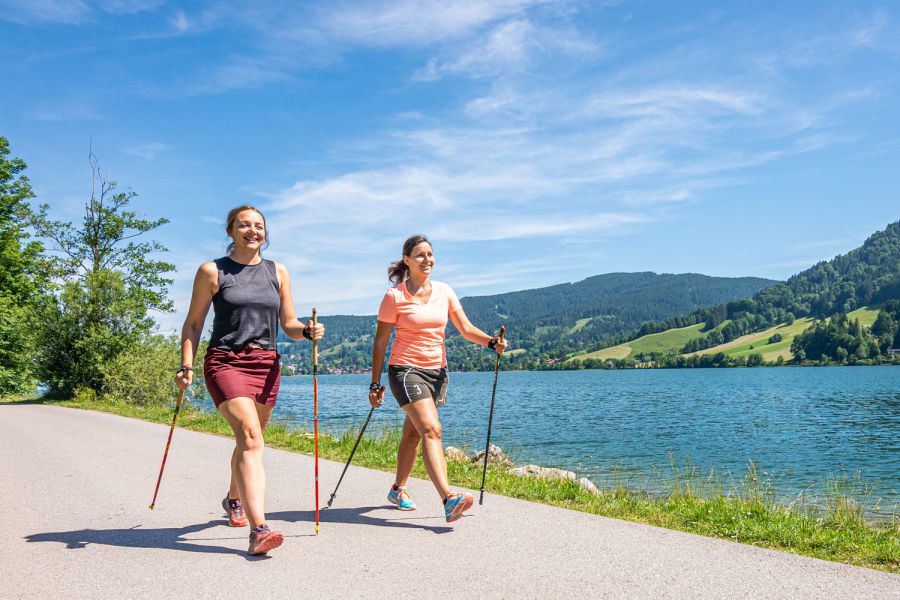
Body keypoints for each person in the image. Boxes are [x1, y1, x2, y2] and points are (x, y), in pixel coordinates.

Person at [174, 205, 324, 555]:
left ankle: (233, 499)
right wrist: (186, 365)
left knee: (248, 441)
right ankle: (260, 529)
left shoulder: (278, 271)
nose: (253, 231)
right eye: (244, 225)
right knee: (251, 437)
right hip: (226, 361)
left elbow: (288, 323)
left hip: (266, 364)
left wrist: (305, 331)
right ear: (231, 231)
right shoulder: (212, 271)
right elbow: (193, 323)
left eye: (259, 226)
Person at [369, 234, 507, 523]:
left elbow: (466, 329)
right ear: (407, 260)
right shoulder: (394, 296)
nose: (427, 260)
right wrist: (374, 383)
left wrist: (491, 342)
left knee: (413, 434)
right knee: (432, 429)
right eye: (420, 255)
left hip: (437, 372)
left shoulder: (444, 291)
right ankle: (448, 498)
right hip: (404, 371)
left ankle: (398, 488)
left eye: (430, 254)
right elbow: (381, 342)